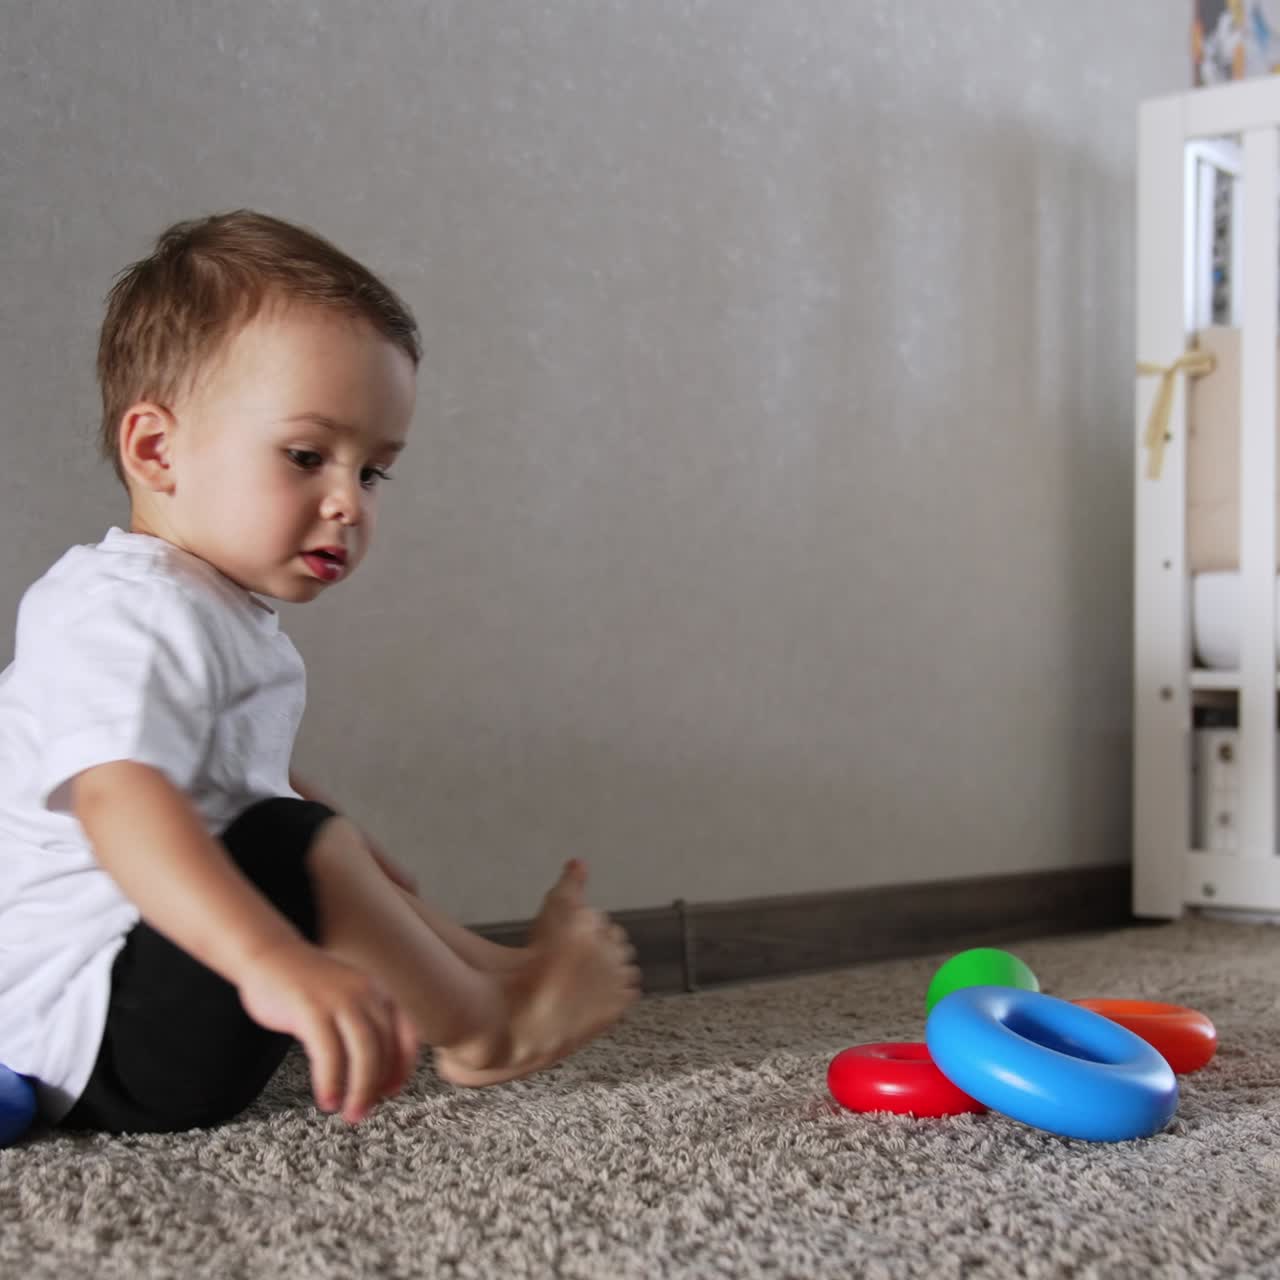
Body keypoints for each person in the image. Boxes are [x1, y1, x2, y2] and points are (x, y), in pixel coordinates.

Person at [0, 210, 641, 1135]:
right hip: (89, 1038)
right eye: (306, 456)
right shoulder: (126, 608)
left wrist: (343, 853)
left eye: (373, 473)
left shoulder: (209, 606)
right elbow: (118, 801)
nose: (345, 502)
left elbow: (223, 781)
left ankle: (502, 975)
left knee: (314, 833)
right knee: (292, 842)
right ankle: (484, 1029)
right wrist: (270, 955)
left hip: (145, 1012)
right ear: (156, 450)